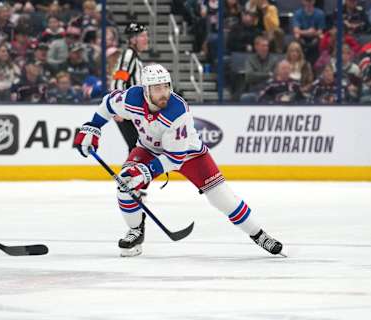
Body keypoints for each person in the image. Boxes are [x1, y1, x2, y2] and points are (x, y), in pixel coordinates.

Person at [73, 64, 285, 257]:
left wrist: (146, 172)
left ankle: (259, 234)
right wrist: (93, 127)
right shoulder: (131, 98)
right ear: (146, 90)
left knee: (223, 198)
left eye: (166, 87)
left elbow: (175, 158)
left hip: (189, 154)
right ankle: (136, 231)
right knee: (125, 183)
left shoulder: (177, 111)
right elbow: (108, 105)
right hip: (148, 149)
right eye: (157, 89)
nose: (163, 93)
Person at [111, 22, 149, 153]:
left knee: (137, 148)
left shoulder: (134, 56)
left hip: (132, 111)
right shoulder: (129, 54)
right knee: (137, 148)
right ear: (133, 39)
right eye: (143, 36)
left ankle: (132, 173)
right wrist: (118, 109)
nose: (146, 39)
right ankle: (131, 173)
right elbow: (118, 81)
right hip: (126, 110)